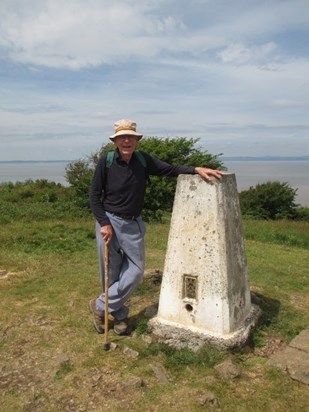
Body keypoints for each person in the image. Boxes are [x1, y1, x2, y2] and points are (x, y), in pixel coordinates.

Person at [89, 119, 223, 335]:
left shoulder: (143, 160)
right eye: (122, 137)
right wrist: (104, 223)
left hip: (132, 223)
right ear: (115, 141)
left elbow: (170, 169)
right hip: (109, 222)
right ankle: (119, 315)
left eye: (130, 137)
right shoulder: (106, 161)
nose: (126, 141)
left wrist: (195, 169)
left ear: (136, 141)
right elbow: (94, 195)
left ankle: (100, 306)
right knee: (112, 272)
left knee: (135, 271)